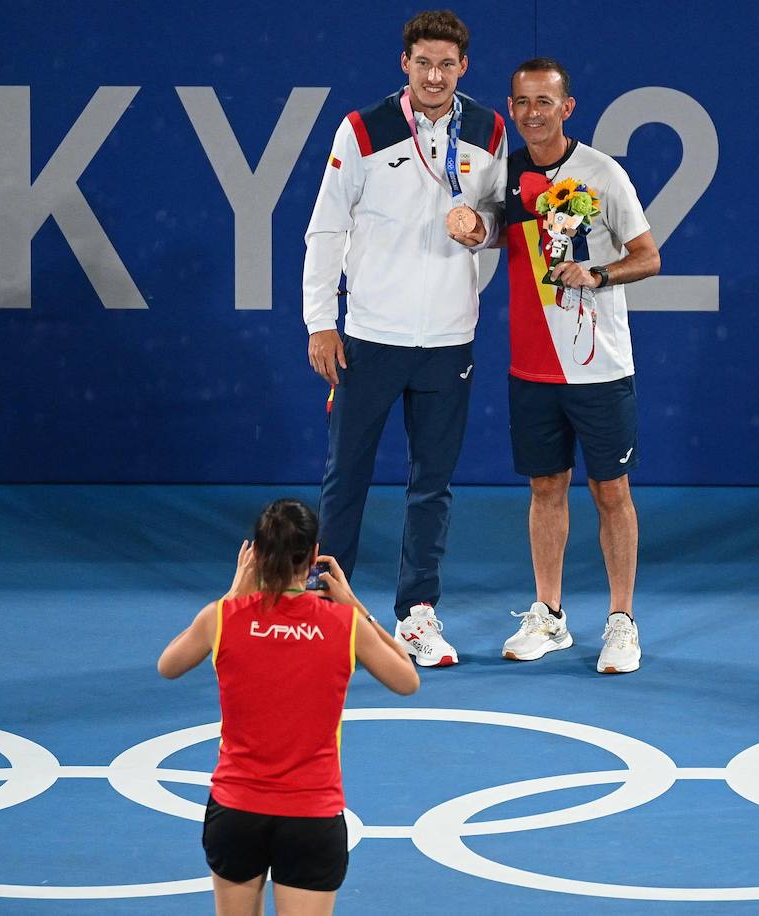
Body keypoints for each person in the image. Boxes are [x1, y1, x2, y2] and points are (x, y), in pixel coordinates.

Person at [302, 9, 507, 668]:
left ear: (464, 67)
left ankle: (417, 614)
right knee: (347, 478)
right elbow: (326, 230)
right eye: (424, 63)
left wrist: (482, 230)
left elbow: (504, 219)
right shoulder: (361, 129)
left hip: (449, 339)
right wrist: (320, 322)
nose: (435, 75)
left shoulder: (488, 130)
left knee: (432, 484)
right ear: (404, 63)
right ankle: (327, 609)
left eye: (447, 64)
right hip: (370, 336)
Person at [157, 498, 418, 915]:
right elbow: (407, 679)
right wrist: (354, 605)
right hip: (311, 817)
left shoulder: (222, 618)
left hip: (236, 813)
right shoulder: (344, 625)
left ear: (255, 555)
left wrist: (232, 596)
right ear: (314, 556)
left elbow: (168, 665)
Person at [488, 58, 660, 673]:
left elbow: (648, 257)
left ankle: (621, 621)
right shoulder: (501, 176)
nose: (533, 113)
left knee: (611, 492)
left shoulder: (603, 174)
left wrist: (599, 273)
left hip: (600, 367)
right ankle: (550, 615)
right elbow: (481, 231)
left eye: (545, 102)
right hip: (531, 368)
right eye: (522, 102)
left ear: (568, 107)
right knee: (545, 489)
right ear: (511, 108)